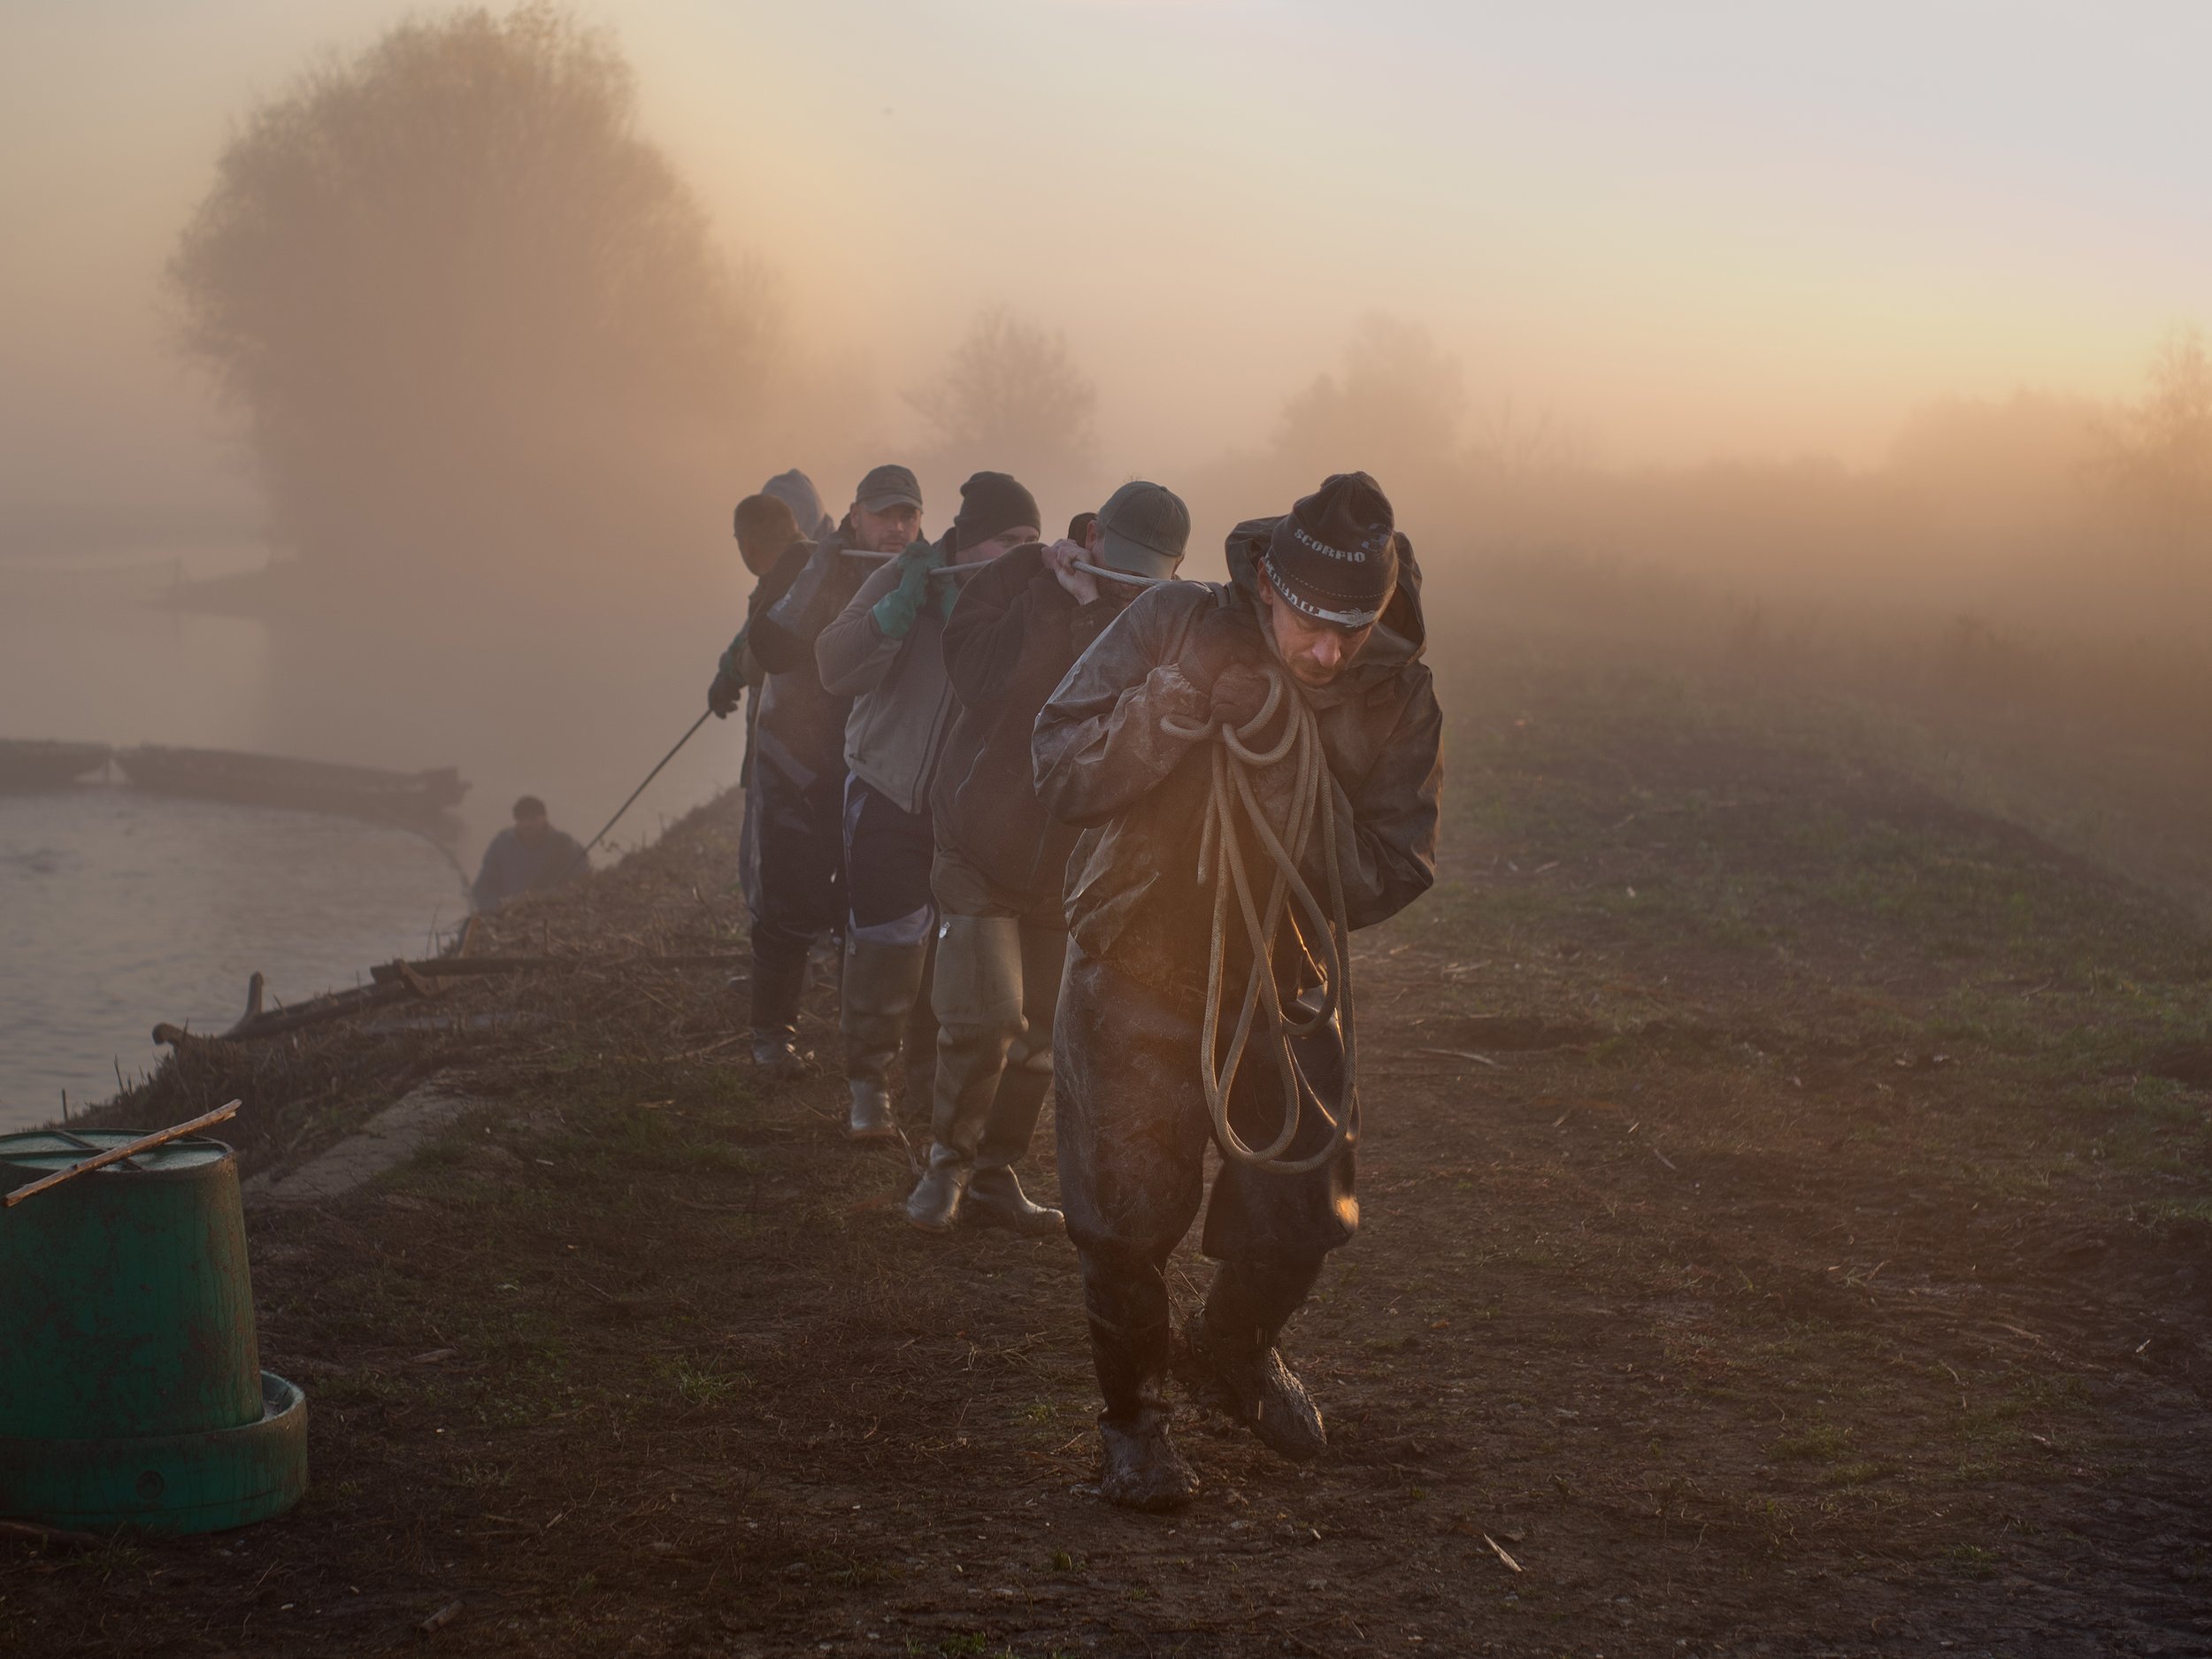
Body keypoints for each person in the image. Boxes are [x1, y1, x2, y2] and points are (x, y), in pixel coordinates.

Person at [1033, 472, 1443, 1511]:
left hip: (1285, 973)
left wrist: (1276, 763)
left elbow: (1389, 871)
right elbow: (1057, 765)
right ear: (1265, 582)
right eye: (1310, 624)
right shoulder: (1171, 622)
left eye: (1352, 628)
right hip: (1133, 953)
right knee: (1123, 1217)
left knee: (1306, 1206)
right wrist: (1173, 705)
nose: (1327, 652)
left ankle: (1233, 1352)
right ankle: (1134, 1425)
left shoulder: (1396, 691)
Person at [908, 481, 1193, 1236]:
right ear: (1093, 534)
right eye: (1120, 562)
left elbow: (1129, 714)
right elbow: (983, 677)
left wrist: (1103, 609)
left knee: (1041, 1032)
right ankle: (945, 1166)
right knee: (984, 1016)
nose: (1131, 580)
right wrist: (1060, 598)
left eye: (1148, 574)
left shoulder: (1157, 617)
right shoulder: (1021, 576)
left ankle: (996, 1176)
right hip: (975, 835)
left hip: (1068, 860)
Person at [814, 472, 1041, 1142]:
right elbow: (832, 664)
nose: (1022, 551)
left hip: (963, 809)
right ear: (969, 541)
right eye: (1009, 538)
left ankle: (925, 1091)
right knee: (888, 945)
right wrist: (892, 619)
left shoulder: (1020, 598)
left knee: (950, 953)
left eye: (1032, 539)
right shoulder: (906, 576)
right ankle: (867, 1089)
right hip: (886, 787)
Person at [735, 465, 923, 1079]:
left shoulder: (928, 573)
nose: (894, 528)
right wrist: (825, 568)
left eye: (907, 515)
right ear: (855, 514)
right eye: (883, 514)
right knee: (788, 903)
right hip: (796, 756)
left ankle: (863, 1045)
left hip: (876, 765)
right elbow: (768, 645)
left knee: (865, 907)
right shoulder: (811, 562)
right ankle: (771, 1037)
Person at [471, 795, 587, 912]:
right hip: (509, 917)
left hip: (554, 914)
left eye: (533, 818)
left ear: (544, 818)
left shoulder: (566, 845)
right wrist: (496, 909)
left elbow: (582, 882)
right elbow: (484, 886)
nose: (527, 824)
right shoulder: (501, 844)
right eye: (522, 819)